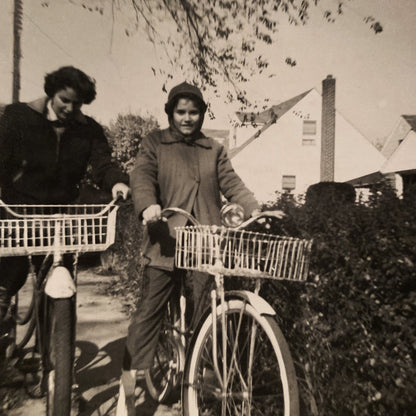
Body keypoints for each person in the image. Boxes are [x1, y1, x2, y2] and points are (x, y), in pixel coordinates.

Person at [116, 82, 260, 415]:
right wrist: (148, 206)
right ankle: (127, 388)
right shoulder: (155, 143)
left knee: (208, 309)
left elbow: (232, 183)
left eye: (194, 112)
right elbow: (142, 177)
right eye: (180, 112)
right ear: (170, 113)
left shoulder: (214, 149)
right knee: (149, 312)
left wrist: (255, 209)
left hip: (205, 243)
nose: (187, 118)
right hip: (165, 240)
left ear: (202, 114)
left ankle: (200, 375)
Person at [0, 66, 130, 322]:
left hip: (61, 213)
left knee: (62, 270)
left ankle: (55, 336)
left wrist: (117, 182)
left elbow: (103, 164)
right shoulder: (18, 117)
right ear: (52, 93)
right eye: (64, 100)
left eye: (77, 103)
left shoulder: (89, 130)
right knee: (8, 277)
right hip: (18, 209)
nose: (70, 108)